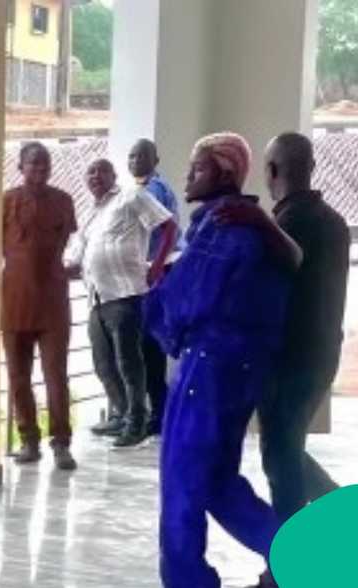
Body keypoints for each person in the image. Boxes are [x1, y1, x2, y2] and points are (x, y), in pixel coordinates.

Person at [144, 132, 286, 588]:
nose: (188, 176)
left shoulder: (223, 228)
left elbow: (187, 301)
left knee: (183, 483)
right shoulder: (246, 226)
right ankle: (298, 550)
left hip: (207, 368)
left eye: (198, 167)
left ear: (224, 172)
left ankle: (187, 581)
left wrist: (149, 304)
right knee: (218, 482)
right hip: (240, 369)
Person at [214, 131, 348, 523]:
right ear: (313, 168)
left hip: (286, 359)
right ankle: (340, 515)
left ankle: (286, 565)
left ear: (272, 170)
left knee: (280, 461)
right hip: (322, 354)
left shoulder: (283, 226)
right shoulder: (334, 222)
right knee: (286, 448)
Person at [65, 159, 177, 448]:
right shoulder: (91, 215)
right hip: (97, 297)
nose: (95, 176)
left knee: (130, 364)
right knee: (103, 363)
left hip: (126, 293)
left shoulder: (132, 196)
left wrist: (158, 264)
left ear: (114, 176)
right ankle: (120, 415)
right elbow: (76, 257)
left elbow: (168, 225)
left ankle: (136, 423)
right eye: (90, 171)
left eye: (102, 170)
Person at [2, 141, 79, 470]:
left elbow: (68, 243)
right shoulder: (6, 202)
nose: (40, 170)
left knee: (55, 375)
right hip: (13, 298)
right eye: (33, 164)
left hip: (52, 300)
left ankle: (61, 443)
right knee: (18, 376)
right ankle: (28, 440)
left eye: (44, 164)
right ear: (20, 167)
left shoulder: (63, 201)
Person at [128, 139, 184, 436]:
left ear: (155, 159)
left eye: (141, 156)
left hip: (156, 277)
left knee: (149, 347)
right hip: (157, 274)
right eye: (132, 155)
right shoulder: (146, 188)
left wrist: (154, 267)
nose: (135, 160)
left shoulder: (153, 191)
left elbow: (168, 231)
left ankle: (158, 413)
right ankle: (156, 412)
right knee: (149, 347)